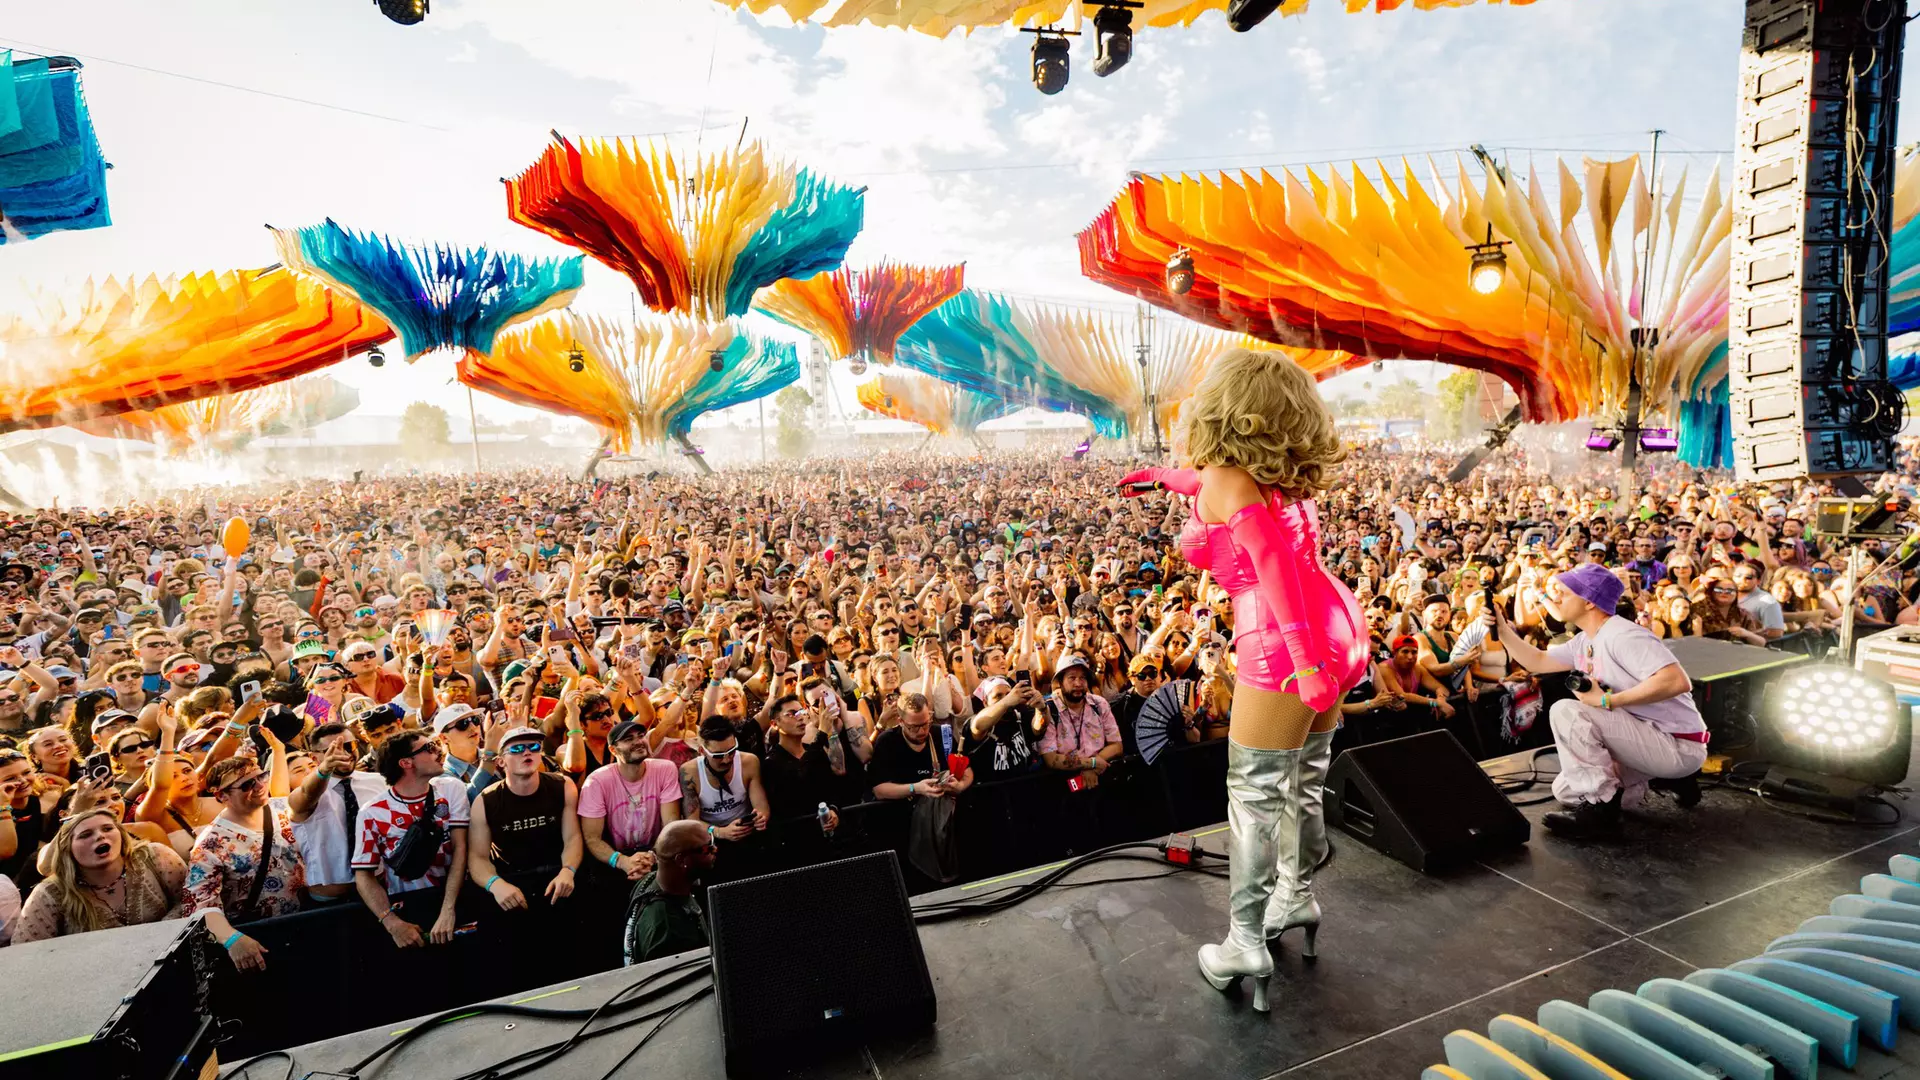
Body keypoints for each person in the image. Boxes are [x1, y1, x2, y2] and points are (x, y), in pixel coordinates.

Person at [1121, 347, 1362, 1013]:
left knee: (1255, 793)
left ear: (1223, 411)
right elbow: (1215, 490)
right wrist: (1165, 478)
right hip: (1340, 623)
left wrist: (1305, 662)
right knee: (1305, 774)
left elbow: (1269, 559)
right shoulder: (1269, 477)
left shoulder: (1230, 478)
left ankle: (1245, 942)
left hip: (1283, 640)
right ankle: (1297, 896)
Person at [1493, 563, 1708, 839]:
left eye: (1564, 593)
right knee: (1567, 790)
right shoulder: (1586, 639)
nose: (1556, 598)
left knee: (1566, 711)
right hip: (1648, 741)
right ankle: (1665, 779)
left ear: (1588, 601)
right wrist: (1501, 629)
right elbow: (1538, 660)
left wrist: (1608, 701)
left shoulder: (1624, 634)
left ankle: (1602, 809)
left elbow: (1676, 681)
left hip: (1676, 743)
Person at [182, 755, 306, 971]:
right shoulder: (210, 845)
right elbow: (201, 906)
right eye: (248, 784)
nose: (259, 786)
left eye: (261, 777)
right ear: (222, 796)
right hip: (259, 940)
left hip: (308, 920)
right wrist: (232, 940)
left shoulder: (283, 809)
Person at [351, 730, 470, 948]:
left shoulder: (451, 789)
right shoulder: (372, 812)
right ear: (406, 762)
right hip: (411, 911)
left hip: (457, 898)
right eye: (429, 748)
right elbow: (363, 876)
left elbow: (460, 849)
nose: (439, 752)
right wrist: (392, 923)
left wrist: (448, 910)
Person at [12, 807, 188, 942]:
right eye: (85, 835)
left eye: (107, 829)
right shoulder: (50, 893)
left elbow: (190, 899)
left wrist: (159, 932)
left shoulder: (155, 857)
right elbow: (26, 952)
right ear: (68, 849)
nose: (100, 836)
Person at [468, 724, 582, 913]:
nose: (527, 752)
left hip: (557, 874)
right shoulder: (485, 801)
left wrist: (568, 871)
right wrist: (495, 885)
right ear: (501, 762)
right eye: (517, 749)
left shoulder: (562, 786)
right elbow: (477, 858)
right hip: (511, 881)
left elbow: (572, 838)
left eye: (534, 747)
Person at [579, 719, 682, 880]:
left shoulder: (665, 769)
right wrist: (623, 862)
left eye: (640, 736)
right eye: (628, 739)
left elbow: (670, 825)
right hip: (614, 859)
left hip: (658, 851)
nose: (638, 742)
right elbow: (592, 838)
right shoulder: (596, 781)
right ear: (613, 750)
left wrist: (653, 856)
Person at [676, 715, 771, 875]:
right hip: (713, 840)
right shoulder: (689, 772)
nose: (727, 759)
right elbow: (691, 822)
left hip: (747, 833)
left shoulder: (749, 762)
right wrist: (720, 832)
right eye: (718, 755)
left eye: (732, 751)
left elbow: (762, 806)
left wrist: (761, 818)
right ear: (702, 751)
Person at [621, 818, 715, 966]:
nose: (715, 850)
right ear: (681, 860)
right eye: (706, 849)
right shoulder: (665, 928)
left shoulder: (651, 881)